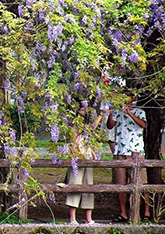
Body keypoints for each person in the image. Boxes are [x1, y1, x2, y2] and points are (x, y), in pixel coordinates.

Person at [107, 90, 151, 223]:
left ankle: (146, 212)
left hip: (135, 152)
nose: (124, 99)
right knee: (120, 184)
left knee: (142, 183)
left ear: (133, 98)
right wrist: (111, 113)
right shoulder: (117, 111)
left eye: (127, 96)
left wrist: (129, 113)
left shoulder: (139, 111)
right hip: (120, 151)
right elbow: (110, 126)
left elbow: (143, 125)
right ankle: (123, 213)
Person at [65, 106, 103, 225]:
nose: (84, 109)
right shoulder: (73, 125)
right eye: (82, 107)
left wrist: (101, 114)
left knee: (88, 188)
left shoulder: (87, 127)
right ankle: (72, 219)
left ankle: (89, 218)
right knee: (74, 187)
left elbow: (89, 138)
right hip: (76, 160)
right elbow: (73, 143)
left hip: (88, 159)